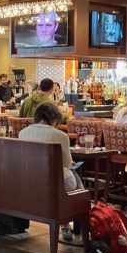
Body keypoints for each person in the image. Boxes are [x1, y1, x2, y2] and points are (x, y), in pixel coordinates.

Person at [19, 103, 83, 241]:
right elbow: (66, 163)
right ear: (54, 118)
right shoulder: (61, 135)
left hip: (30, 182)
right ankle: (74, 224)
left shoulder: (23, 132)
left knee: (70, 178)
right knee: (76, 177)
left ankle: (66, 224)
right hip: (56, 184)